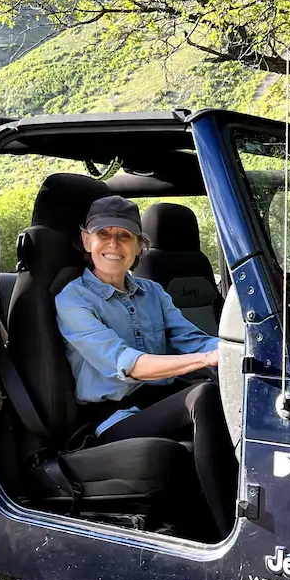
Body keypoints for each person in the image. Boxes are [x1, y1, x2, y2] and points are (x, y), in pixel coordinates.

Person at [55, 195, 237, 539]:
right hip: (112, 419)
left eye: (124, 236)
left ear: (140, 246)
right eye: (103, 234)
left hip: (159, 404)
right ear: (86, 240)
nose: (113, 244)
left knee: (236, 391)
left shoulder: (153, 292)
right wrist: (208, 359)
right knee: (203, 396)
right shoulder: (73, 300)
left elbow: (194, 339)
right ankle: (230, 535)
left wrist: (241, 349)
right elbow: (128, 365)